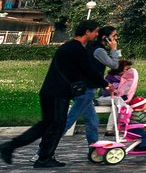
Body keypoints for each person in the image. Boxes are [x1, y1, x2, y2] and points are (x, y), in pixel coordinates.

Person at [1, 18, 109, 168]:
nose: (97, 34)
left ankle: (38, 155)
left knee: (49, 125)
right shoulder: (76, 48)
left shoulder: (71, 47)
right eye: (96, 31)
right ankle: (34, 154)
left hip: (51, 91)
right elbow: (89, 69)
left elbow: (81, 70)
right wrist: (106, 84)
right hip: (57, 93)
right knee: (56, 125)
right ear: (87, 31)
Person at [63, 24, 119, 148]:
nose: (116, 39)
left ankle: (94, 149)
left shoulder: (92, 48)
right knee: (69, 121)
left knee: (93, 121)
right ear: (105, 38)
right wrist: (114, 50)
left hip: (88, 88)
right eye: (114, 36)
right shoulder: (99, 50)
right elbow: (114, 65)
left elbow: (92, 70)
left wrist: (103, 84)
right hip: (86, 90)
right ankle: (42, 150)